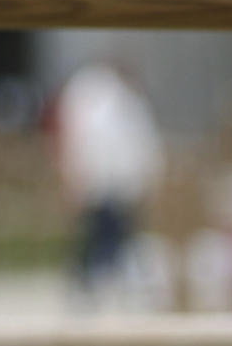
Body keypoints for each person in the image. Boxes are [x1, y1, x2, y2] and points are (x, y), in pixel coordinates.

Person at [51, 51, 161, 305]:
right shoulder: (93, 93)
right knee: (101, 235)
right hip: (101, 181)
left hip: (116, 182)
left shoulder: (124, 98)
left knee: (112, 236)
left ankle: (100, 287)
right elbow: (80, 139)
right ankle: (90, 287)